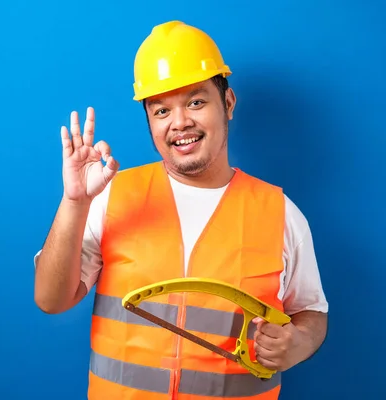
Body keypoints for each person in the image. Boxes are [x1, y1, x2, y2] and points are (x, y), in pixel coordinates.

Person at [33, 20, 328, 400]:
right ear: (150, 123)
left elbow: (311, 313)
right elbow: (50, 299)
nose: (180, 122)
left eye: (196, 101)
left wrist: (299, 342)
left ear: (228, 103)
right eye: (160, 111)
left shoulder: (281, 214)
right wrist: (74, 202)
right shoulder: (110, 196)